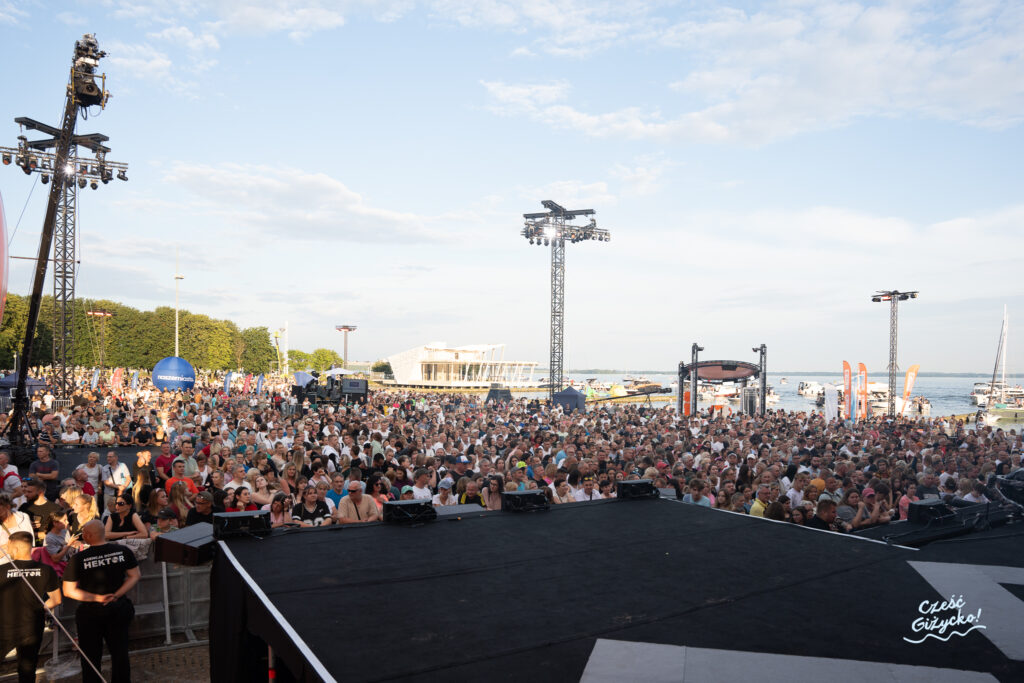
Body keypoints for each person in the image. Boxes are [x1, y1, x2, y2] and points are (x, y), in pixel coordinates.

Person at [62, 520, 140, 683]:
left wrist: (97, 598)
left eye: (83, 533)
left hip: (90, 612)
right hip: (118, 607)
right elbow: (135, 576)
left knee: (90, 657)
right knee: (120, 653)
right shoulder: (122, 551)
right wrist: (116, 595)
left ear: (88, 536)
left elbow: (68, 590)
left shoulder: (78, 559)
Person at [0, 531, 61, 683]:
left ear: (15, 548)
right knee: (27, 670)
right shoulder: (46, 570)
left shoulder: (1, 570)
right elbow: (56, 599)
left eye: (8, 546)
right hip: (32, 626)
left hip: (4, 627)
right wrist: (39, 608)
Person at [19, 480, 59, 546]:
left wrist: (31, 532)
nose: (26, 495)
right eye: (26, 492)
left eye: (29, 492)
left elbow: (57, 533)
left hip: (49, 547)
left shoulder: (54, 509)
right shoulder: (24, 508)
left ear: (40, 493)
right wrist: (28, 526)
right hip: (28, 546)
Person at [0, 494, 34, 564]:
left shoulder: (22, 517)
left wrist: (6, 547)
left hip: (23, 561)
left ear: (7, 506)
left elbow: (29, 541)